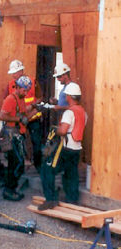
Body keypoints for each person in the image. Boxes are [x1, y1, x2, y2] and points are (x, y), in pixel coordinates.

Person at [38, 83, 87, 211]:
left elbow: (63, 131)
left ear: (70, 97)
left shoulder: (69, 113)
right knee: (71, 173)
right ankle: (72, 200)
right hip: (77, 148)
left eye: (66, 96)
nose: (65, 97)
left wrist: (55, 129)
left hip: (66, 147)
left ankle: (50, 200)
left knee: (47, 169)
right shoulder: (82, 112)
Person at [0, 75, 37, 201]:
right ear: (18, 87)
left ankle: (11, 188)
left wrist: (34, 109)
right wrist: (19, 119)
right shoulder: (10, 99)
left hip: (18, 134)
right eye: (24, 90)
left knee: (17, 162)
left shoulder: (21, 98)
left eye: (27, 90)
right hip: (11, 135)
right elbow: (2, 116)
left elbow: (23, 113)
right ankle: (9, 190)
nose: (26, 93)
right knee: (16, 163)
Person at [5, 59, 43, 172]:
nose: (13, 75)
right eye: (12, 73)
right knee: (20, 143)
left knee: (36, 142)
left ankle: (38, 166)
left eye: (15, 72)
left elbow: (40, 97)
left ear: (21, 71)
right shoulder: (10, 85)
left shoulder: (33, 81)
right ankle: (22, 164)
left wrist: (32, 106)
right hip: (20, 119)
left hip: (33, 118)